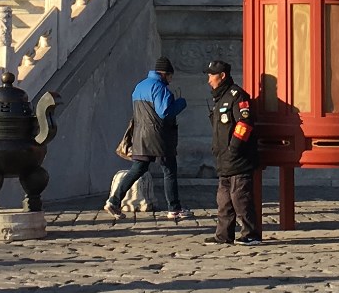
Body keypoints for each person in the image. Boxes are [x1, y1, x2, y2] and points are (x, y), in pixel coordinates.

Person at [104, 58, 187, 221]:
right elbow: (164, 113)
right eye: (170, 77)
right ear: (165, 74)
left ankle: (114, 201)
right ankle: (174, 208)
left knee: (137, 169)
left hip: (140, 135)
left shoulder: (139, 86)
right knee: (169, 171)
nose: (170, 80)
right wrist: (181, 103)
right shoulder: (160, 88)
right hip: (160, 137)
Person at [205, 60, 261, 245]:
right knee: (223, 201)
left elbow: (244, 124)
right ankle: (224, 235)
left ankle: (251, 234)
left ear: (222, 76)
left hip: (238, 159)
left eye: (212, 75)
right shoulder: (219, 98)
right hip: (223, 159)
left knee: (240, 198)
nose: (209, 80)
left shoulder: (237, 96)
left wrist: (234, 149)